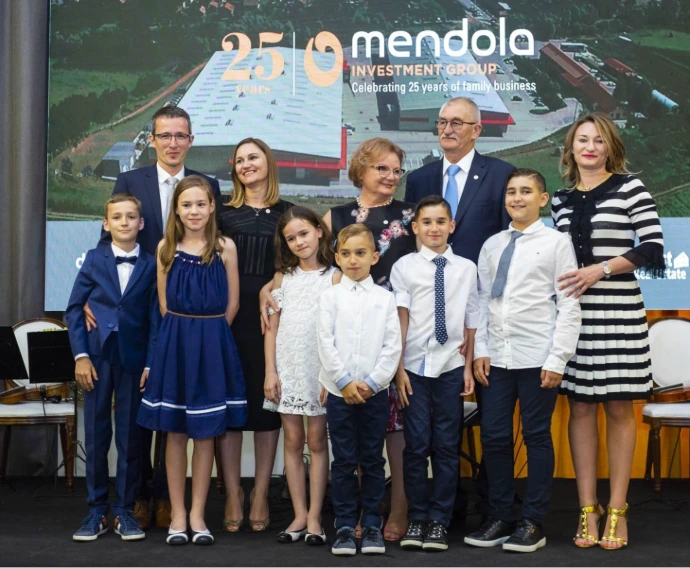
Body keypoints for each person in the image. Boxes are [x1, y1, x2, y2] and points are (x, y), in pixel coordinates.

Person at [90, 106, 222, 529]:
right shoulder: (131, 181)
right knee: (139, 411)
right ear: (152, 139)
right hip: (135, 312)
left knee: (176, 409)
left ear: (190, 140)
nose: (172, 143)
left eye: (180, 135)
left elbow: (215, 245)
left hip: (185, 311)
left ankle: (168, 497)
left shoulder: (207, 185)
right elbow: (108, 242)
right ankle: (139, 495)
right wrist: (94, 296)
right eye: (164, 135)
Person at [552, 114, 664, 550]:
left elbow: (652, 248)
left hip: (620, 313)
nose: (590, 147)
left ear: (610, 147)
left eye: (599, 140)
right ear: (571, 148)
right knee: (580, 409)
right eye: (582, 139)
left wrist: (600, 269)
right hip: (574, 316)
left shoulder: (631, 188)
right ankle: (588, 509)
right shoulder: (560, 199)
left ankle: (617, 509)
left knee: (619, 408)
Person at [405, 96, 516, 522]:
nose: (447, 129)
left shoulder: (501, 175)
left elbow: (508, 248)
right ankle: (442, 513)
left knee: (493, 423)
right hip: (430, 327)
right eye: (442, 122)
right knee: (431, 432)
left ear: (477, 130)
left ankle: (494, 509)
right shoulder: (420, 179)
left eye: (457, 122)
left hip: (485, 318)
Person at [464, 169, 581, 553]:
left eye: (526, 191)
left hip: (537, 357)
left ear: (542, 199)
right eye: (511, 191)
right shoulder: (492, 244)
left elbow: (568, 304)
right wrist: (481, 350)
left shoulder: (556, 243)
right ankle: (500, 517)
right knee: (495, 437)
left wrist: (558, 359)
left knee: (536, 437)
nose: (517, 198)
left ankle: (533, 522)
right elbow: (482, 300)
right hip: (496, 358)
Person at [137, 175, 247, 545]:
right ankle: (178, 514)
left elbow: (233, 303)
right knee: (175, 432)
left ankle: (198, 514)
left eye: (201, 204)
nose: (194, 211)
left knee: (205, 434)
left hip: (214, 342)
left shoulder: (225, 247)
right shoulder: (165, 247)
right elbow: (164, 304)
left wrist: (210, 336)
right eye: (186, 205)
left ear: (213, 206)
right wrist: (185, 335)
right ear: (177, 209)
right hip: (176, 344)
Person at [65, 194, 160, 542]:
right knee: (96, 434)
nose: (124, 222)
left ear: (141, 223)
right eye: (117, 217)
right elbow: (74, 309)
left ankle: (124, 511)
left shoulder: (151, 264)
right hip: (96, 359)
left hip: (133, 360)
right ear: (106, 224)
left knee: (130, 439)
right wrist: (81, 356)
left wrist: (150, 362)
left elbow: (155, 318)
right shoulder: (94, 259)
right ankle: (96, 512)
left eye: (131, 216)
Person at [391, 195, 479, 552]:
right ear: (415, 227)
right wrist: (398, 369)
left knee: (446, 446)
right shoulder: (404, 267)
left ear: (452, 226)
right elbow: (400, 320)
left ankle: (440, 521)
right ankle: (417, 518)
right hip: (413, 368)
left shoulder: (466, 268)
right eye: (426, 222)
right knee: (415, 447)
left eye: (441, 221)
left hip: (451, 368)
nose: (434, 228)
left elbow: (472, 318)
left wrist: (469, 367)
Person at [217, 138, 294, 533]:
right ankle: (233, 492)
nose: (247, 164)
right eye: (241, 160)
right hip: (227, 320)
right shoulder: (222, 213)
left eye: (254, 157)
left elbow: (294, 262)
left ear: (269, 162)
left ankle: (261, 491)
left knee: (268, 410)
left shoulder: (288, 213)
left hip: (272, 319)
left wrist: (272, 284)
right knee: (229, 408)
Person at [317, 224, 402, 556]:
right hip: (339, 394)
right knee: (343, 461)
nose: (353, 260)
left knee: (372, 460)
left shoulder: (385, 299)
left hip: (374, 394)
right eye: (346, 254)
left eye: (361, 253)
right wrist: (343, 382)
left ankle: (371, 526)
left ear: (374, 257)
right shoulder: (329, 297)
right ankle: (343, 526)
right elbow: (325, 343)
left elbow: (392, 346)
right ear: (337, 258)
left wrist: (373, 383)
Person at [263, 206, 341, 546]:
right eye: (291, 238)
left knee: (318, 442)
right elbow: (271, 328)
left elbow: (338, 332)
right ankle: (298, 513)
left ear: (319, 231)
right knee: (292, 441)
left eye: (304, 233)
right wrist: (270, 371)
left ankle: (315, 517)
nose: (299, 242)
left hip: (319, 371)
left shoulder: (335, 277)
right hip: (287, 369)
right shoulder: (283, 278)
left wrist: (328, 377)